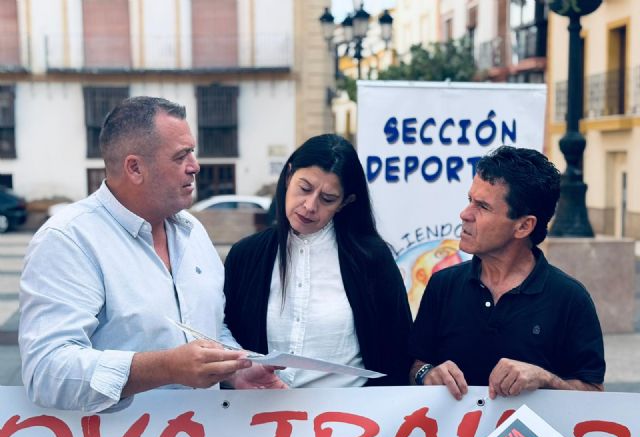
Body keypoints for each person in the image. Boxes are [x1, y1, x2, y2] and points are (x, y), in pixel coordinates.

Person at [19, 96, 285, 413]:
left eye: (192, 152)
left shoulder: (192, 231)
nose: (195, 166)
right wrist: (165, 368)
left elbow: (209, 328)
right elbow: (47, 372)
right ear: (135, 168)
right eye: (181, 156)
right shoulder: (69, 240)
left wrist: (236, 369)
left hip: (206, 436)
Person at [409, 146, 605, 400]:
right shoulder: (443, 284)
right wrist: (427, 373)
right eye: (470, 200)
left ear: (524, 226)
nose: (465, 214)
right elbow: (414, 364)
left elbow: (595, 394)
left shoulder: (570, 298)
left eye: (483, 206)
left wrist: (544, 379)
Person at [223, 134, 413, 387]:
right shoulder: (246, 255)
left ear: (345, 202)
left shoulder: (371, 259)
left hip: (351, 409)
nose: (310, 206)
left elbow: (398, 350)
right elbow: (223, 335)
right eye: (304, 188)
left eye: (328, 199)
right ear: (288, 176)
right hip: (262, 408)